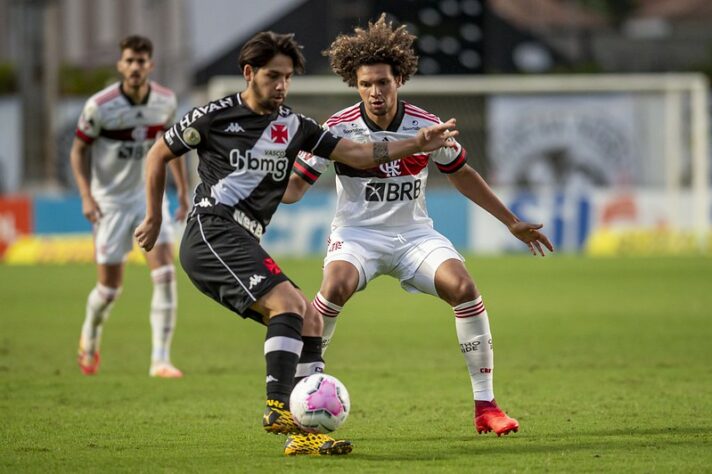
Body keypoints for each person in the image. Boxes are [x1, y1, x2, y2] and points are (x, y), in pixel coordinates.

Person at [133, 31, 458, 456]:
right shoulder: (214, 115)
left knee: (310, 319)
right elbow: (158, 153)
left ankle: (305, 435)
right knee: (288, 303)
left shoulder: (297, 127)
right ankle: (278, 406)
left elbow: (357, 154)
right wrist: (154, 215)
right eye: (273, 76)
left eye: (287, 77)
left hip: (243, 237)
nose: (281, 85)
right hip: (212, 231)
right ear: (249, 73)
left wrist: (415, 143)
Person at [282, 14, 554, 437]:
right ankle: (301, 393)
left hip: (413, 236)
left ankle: (486, 406)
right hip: (357, 235)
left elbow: (462, 172)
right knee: (333, 288)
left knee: (464, 288)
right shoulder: (336, 129)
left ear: (399, 80)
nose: (375, 92)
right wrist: (262, 187)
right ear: (355, 85)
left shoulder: (427, 126)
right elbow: (297, 187)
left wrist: (511, 221)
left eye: (383, 83)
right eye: (366, 84)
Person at [71, 35, 189, 378]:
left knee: (165, 274)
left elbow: (172, 148)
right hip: (109, 202)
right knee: (109, 290)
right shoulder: (100, 106)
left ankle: (160, 359)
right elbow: (78, 151)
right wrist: (85, 195)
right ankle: (89, 337)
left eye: (141, 61)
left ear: (150, 65)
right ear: (121, 65)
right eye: (129, 61)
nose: (135, 67)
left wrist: (182, 192)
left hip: (147, 198)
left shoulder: (165, 101)